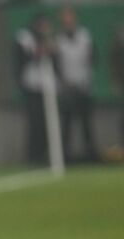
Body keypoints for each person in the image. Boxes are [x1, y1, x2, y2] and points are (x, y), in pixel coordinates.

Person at [55, 6, 97, 163]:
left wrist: (86, 79)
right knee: (67, 124)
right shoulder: (58, 40)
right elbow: (56, 64)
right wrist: (64, 82)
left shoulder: (85, 37)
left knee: (86, 124)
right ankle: (65, 156)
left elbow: (93, 59)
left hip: (83, 86)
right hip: (66, 88)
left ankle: (90, 154)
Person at [14, 13, 55, 165]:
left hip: (47, 87)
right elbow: (21, 59)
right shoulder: (24, 38)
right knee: (35, 123)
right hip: (31, 86)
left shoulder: (50, 39)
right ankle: (33, 155)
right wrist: (38, 52)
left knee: (47, 123)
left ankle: (46, 154)